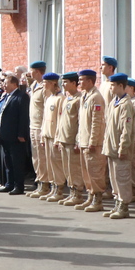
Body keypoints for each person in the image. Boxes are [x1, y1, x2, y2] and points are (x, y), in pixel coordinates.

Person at [102, 73, 135, 219]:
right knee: (114, 177)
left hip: (119, 148)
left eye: (113, 85)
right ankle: (117, 203)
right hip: (111, 147)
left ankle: (124, 206)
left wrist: (123, 147)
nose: (111, 88)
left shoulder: (126, 104)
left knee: (122, 177)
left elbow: (126, 129)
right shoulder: (113, 102)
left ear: (121, 86)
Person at [75, 69, 108, 212]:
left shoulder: (96, 97)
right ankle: (90, 196)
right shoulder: (85, 96)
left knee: (95, 171)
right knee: (86, 172)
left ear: (90, 81)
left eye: (82, 80)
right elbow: (81, 121)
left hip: (92, 142)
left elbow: (97, 121)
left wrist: (93, 141)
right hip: (83, 140)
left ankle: (98, 199)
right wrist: (78, 139)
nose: (79, 82)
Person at [0, 72, 30, 195]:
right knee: (8, 161)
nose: (3, 85)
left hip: (15, 136)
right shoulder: (7, 96)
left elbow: (23, 117)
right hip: (5, 135)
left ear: (14, 84)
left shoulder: (21, 96)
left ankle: (19, 186)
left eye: (6, 83)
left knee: (17, 162)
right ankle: (9, 183)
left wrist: (21, 134)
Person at [55, 73, 84, 206]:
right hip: (64, 138)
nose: (63, 85)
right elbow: (61, 121)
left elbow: (80, 122)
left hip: (72, 140)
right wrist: (59, 138)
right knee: (67, 168)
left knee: (74, 169)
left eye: (66, 82)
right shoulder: (67, 99)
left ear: (74, 83)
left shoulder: (79, 99)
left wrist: (78, 140)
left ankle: (78, 193)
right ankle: (71, 192)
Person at [39, 73, 67, 201]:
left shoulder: (61, 98)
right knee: (49, 163)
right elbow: (45, 119)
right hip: (47, 135)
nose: (43, 85)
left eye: (45, 82)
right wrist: (42, 135)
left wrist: (58, 137)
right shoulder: (49, 98)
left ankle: (59, 188)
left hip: (55, 136)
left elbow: (61, 120)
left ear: (52, 83)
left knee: (56, 164)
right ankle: (52, 187)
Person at [26, 62, 49, 197]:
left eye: (32, 71)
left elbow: (47, 109)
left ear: (38, 72)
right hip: (32, 126)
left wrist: (44, 128)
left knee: (42, 157)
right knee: (35, 157)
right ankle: (39, 181)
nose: (30, 73)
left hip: (40, 126)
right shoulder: (34, 85)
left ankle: (45, 184)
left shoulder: (44, 86)